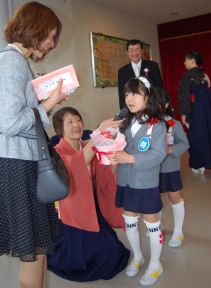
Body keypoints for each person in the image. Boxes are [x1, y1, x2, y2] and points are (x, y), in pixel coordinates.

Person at [0, 2, 70, 288]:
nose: (52, 44)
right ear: (34, 28)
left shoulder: (20, 62)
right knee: (32, 249)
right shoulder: (11, 61)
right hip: (17, 165)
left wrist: (43, 102)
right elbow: (8, 123)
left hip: (27, 162)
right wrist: (48, 104)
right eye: (50, 36)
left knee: (40, 246)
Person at [47, 107, 130, 281]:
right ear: (59, 130)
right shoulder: (57, 151)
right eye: (69, 122)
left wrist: (114, 155)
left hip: (91, 207)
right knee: (103, 255)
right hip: (73, 213)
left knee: (113, 250)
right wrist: (98, 134)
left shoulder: (86, 145)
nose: (76, 124)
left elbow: (103, 172)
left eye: (78, 120)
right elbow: (75, 165)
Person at [107, 77, 167, 286]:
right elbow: (116, 145)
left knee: (152, 224)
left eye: (135, 93)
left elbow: (159, 154)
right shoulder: (124, 122)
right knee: (129, 220)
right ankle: (138, 256)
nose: (129, 99)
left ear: (148, 97)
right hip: (126, 180)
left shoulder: (157, 124)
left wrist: (130, 158)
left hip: (146, 182)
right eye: (126, 94)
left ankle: (155, 264)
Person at [156, 89, 189, 248]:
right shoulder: (148, 125)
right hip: (153, 169)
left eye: (159, 102)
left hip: (170, 168)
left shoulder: (174, 124)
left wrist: (170, 149)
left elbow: (184, 143)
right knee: (156, 199)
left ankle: (178, 231)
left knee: (174, 197)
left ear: (167, 104)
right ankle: (158, 226)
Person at [177, 51, 211, 174]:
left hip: (194, 112)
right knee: (207, 134)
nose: (184, 62)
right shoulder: (204, 75)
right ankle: (208, 161)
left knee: (195, 136)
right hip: (207, 111)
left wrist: (183, 114)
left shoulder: (187, 75)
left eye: (186, 60)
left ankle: (198, 164)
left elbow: (184, 96)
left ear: (192, 60)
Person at [118, 39, 164, 109]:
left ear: (142, 51)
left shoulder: (153, 66)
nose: (134, 53)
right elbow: (122, 95)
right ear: (127, 52)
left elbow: (159, 88)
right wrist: (124, 114)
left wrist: (161, 105)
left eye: (137, 49)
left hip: (151, 107)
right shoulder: (122, 71)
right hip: (133, 110)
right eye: (131, 50)